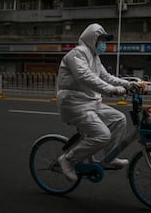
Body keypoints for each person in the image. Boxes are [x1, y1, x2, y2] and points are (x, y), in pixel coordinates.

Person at [56, 23, 138, 181]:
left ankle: (108, 158)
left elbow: (106, 77)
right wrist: (110, 90)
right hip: (74, 103)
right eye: (101, 40)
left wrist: (127, 84)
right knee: (102, 135)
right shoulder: (77, 54)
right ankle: (67, 160)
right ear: (92, 39)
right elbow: (85, 77)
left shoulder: (95, 57)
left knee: (119, 119)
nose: (104, 44)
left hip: (90, 102)